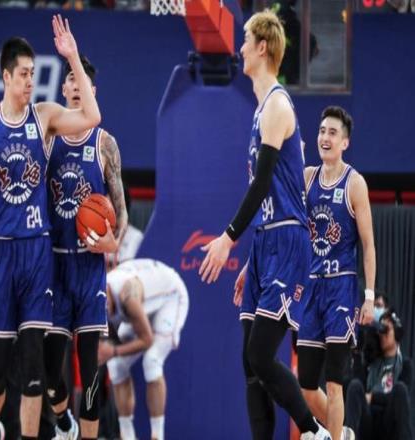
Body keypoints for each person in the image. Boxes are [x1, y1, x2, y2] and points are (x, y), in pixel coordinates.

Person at [0, 15, 101, 440]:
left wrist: (72, 56)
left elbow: (92, 116)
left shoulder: (44, 116)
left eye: (34, 73)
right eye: (24, 74)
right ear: (6, 76)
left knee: (34, 365)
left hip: (36, 253)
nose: (31, 81)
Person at [199, 9, 330, 439]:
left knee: (260, 354)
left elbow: (261, 185)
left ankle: (315, 433)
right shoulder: (260, 109)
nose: (239, 48)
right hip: (266, 242)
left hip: (289, 240)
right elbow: (267, 194)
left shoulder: (276, 105)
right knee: (249, 365)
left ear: (261, 47)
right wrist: (250, 257)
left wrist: (227, 238)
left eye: (245, 40)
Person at [43, 53, 127, 440]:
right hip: (55, 266)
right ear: (64, 88)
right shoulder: (48, 138)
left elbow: (121, 212)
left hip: (90, 268)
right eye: (71, 82)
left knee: (90, 372)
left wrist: (112, 242)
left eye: (83, 84)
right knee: (49, 369)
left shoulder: (105, 143)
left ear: (93, 92)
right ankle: (64, 422)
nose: (77, 88)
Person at [295, 106, 375, 440]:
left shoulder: (355, 183)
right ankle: (340, 433)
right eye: (321, 131)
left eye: (332, 133)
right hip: (312, 287)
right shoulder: (307, 177)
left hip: (342, 288)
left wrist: (369, 296)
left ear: (345, 142)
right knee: (304, 384)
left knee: (334, 382)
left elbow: (368, 245)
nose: (325, 138)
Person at [99, 258, 189, 440]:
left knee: (152, 361)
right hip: (143, 305)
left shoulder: (127, 296)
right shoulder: (98, 299)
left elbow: (146, 340)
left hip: (170, 297)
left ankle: (157, 435)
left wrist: (113, 351)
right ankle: (127, 435)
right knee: (116, 365)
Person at [344, 310, 413, 440]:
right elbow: (358, 392)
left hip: (389, 421)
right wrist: (358, 353)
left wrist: (373, 397)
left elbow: (402, 400)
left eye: (386, 330)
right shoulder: (371, 363)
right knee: (354, 385)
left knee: (400, 389)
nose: (382, 335)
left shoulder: (405, 365)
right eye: (381, 331)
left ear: (397, 333)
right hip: (368, 421)